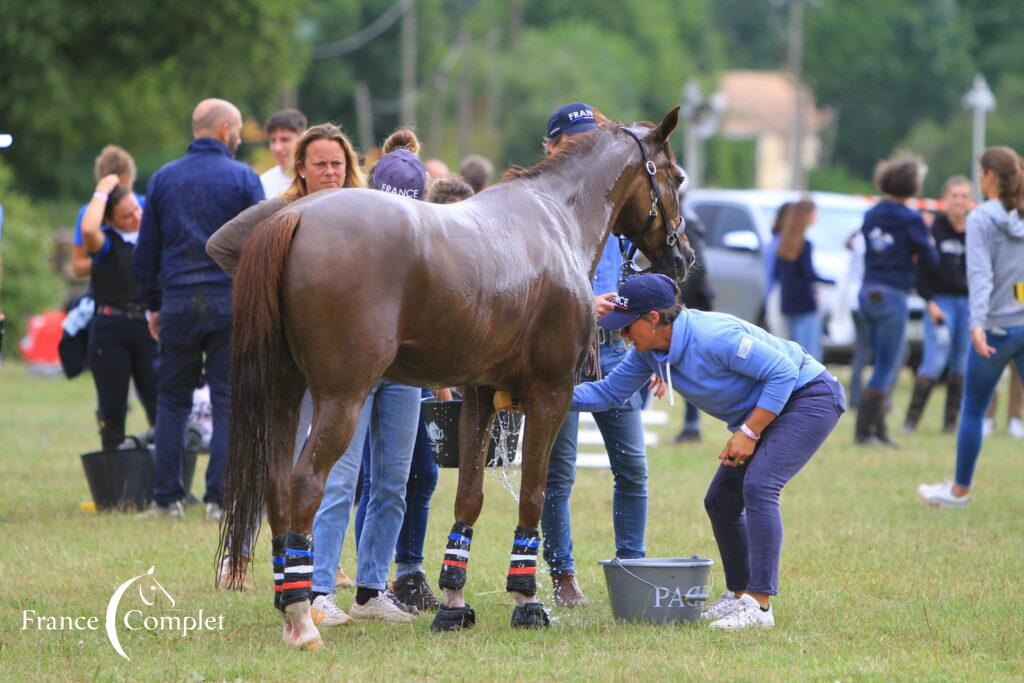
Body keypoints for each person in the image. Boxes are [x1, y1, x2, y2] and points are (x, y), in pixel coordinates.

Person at [573, 273, 844, 629]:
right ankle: (739, 594)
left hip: (809, 396)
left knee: (760, 486)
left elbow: (783, 371)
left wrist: (748, 432)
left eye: (627, 327)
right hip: (766, 410)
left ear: (653, 319)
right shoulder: (649, 354)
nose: (621, 335)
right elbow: (608, 394)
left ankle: (759, 606)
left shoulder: (714, 336)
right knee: (721, 501)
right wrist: (547, 397)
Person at [208, 122, 365, 589]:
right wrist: (273, 289)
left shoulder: (363, 210)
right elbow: (220, 245)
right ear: (301, 167)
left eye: (338, 163)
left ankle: (319, 560)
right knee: (286, 449)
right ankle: (251, 557)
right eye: (320, 164)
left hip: (347, 352)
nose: (330, 172)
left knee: (332, 460)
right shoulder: (281, 209)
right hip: (290, 349)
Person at [305, 130, 428, 628]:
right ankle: (318, 590)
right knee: (340, 479)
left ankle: (372, 588)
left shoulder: (429, 234)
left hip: (406, 371)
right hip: (358, 370)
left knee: (393, 481)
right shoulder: (352, 232)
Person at [540, 102, 650, 607]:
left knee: (632, 468)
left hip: (614, 349)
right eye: (574, 141)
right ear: (551, 148)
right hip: (560, 351)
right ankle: (563, 576)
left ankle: (633, 564)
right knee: (555, 473)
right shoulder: (539, 209)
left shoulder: (613, 207)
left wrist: (653, 348)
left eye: (592, 140)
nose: (585, 149)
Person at [133, 98, 264, 519]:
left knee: (171, 401)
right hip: (230, 303)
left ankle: (166, 498)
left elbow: (146, 251)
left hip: (178, 304)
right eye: (239, 130)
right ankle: (219, 500)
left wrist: (154, 305)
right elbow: (262, 246)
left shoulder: (163, 179)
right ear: (224, 131)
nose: (241, 137)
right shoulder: (244, 178)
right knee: (227, 399)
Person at [353, 173, 475, 612]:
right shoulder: (415, 248)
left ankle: (395, 574)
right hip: (389, 374)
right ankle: (388, 574)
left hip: (415, 381)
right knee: (386, 479)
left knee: (413, 478)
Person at [919, 146, 1024, 507]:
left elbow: (980, 276)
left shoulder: (982, 219)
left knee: (974, 410)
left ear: (990, 177)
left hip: (997, 328)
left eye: (980, 173)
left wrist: (976, 324)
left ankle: (959, 490)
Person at [854, 156, 938, 447]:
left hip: (868, 291)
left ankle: (877, 430)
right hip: (892, 292)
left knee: (877, 360)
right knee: (888, 364)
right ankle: (866, 432)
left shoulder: (872, 213)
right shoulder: (912, 218)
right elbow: (931, 257)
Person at [80, 176, 157, 450]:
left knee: (160, 406)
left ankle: (163, 480)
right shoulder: (107, 242)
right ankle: (114, 483)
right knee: (113, 410)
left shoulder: (152, 236)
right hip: (112, 330)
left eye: (137, 208)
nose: (137, 217)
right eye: (127, 216)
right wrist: (101, 191)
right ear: (110, 221)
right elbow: (88, 230)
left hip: (149, 328)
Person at [903, 176, 973, 433]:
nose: (959, 201)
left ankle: (950, 424)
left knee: (961, 365)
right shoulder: (935, 230)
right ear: (945, 200)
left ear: (970, 200)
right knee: (934, 362)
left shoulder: (975, 230)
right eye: (955, 195)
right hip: (941, 302)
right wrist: (930, 302)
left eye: (964, 196)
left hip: (968, 303)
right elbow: (920, 271)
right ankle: (911, 422)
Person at [70, 146, 144, 278]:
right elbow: (78, 267)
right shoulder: (89, 215)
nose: (120, 196)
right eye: (113, 190)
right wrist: (114, 260)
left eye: (124, 189)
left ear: (132, 179)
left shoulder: (145, 204)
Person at [775, 199, 834, 362]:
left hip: (788, 301)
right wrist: (828, 282)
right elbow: (808, 274)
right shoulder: (804, 244)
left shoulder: (783, 244)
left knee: (794, 347)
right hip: (805, 301)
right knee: (811, 350)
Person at [676, 199, 714, 443]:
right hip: (686, 302)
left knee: (690, 365)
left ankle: (692, 424)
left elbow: (696, 267)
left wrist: (675, 298)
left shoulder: (685, 223)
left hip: (690, 304)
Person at [260, 108, 307, 198]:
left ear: (302, 139)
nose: (277, 148)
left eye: (284, 139)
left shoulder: (319, 178)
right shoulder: (262, 184)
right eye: (273, 141)